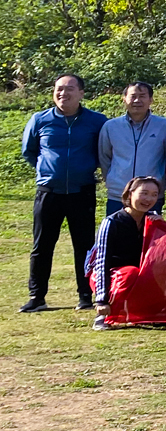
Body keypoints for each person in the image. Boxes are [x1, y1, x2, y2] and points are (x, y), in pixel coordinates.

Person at [21, 74, 107, 312]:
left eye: (70, 89)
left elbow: (103, 151)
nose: (63, 93)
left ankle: (86, 295)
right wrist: (47, 171)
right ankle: (37, 297)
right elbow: (29, 151)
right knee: (42, 245)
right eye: (59, 88)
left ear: (81, 93)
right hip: (49, 192)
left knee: (84, 245)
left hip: (82, 191)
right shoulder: (40, 119)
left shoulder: (97, 121)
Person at [87, 176, 162, 330]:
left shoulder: (151, 221)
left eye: (154, 195)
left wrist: (161, 227)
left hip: (138, 275)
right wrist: (101, 300)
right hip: (109, 275)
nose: (149, 199)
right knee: (130, 273)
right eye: (144, 193)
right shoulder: (111, 222)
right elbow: (101, 262)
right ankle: (105, 316)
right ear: (130, 194)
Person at [98, 82, 166, 215]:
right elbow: (104, 157)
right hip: (118, 194)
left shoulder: (165, 126)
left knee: (149, 229)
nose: (137, 100)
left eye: (142, 96)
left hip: (151, 196)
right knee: (118, 228)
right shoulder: (111, 126)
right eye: (133, 96)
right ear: (124, 99)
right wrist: (111, 178)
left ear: (150, 100)